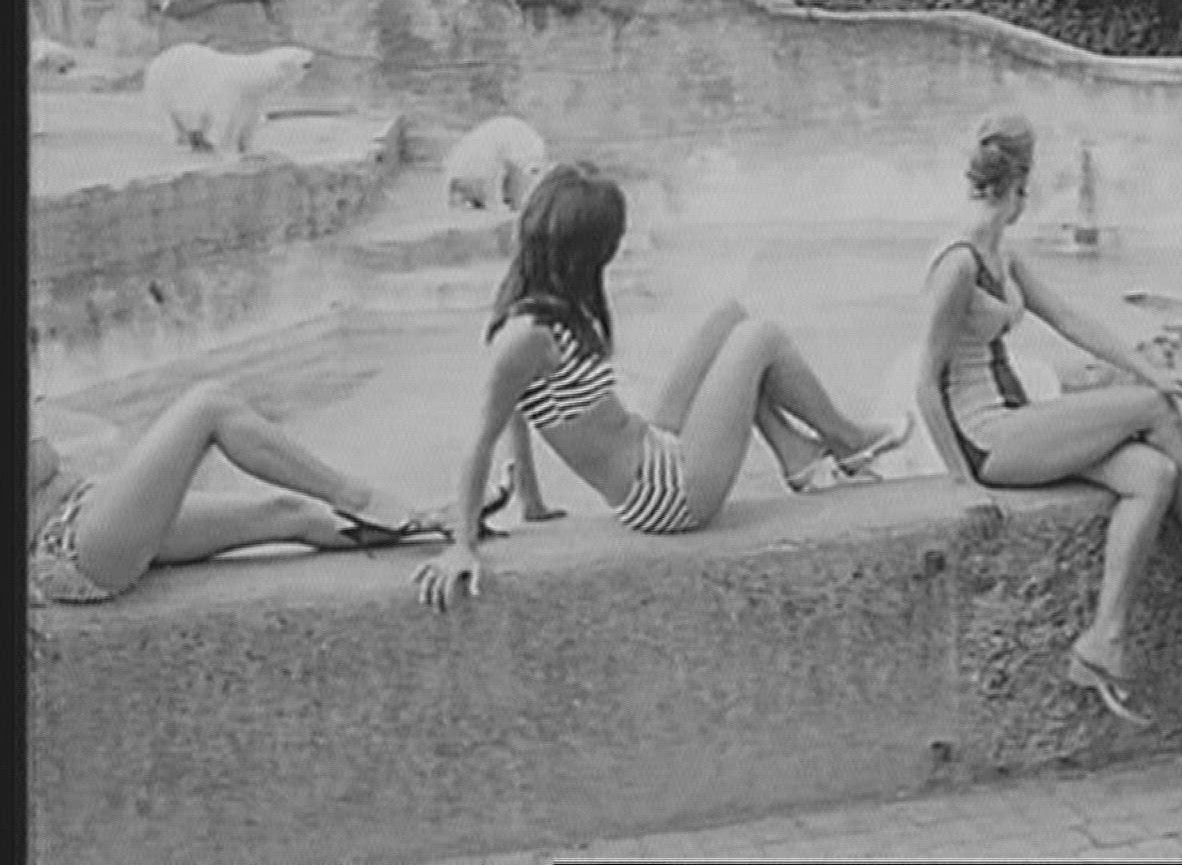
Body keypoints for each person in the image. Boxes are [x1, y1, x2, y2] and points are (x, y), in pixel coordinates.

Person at [413, 162, 911, 611]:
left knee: (729, 318)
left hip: (652, 446)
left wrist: (533, 504)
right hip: (669, 494)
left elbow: (519, 412)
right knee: (759, 338)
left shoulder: (546, 308)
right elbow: (481, 438)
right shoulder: (526, 336)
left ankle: (799, 458)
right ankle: (848, 440)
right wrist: (462, 546)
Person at [915, 115, 1182, 725]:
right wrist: (962, 484)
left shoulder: (1002, 253)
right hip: (986, 438)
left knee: (1153, 476)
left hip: (1017, 420)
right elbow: (925, 381)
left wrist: (1150, 368)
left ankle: (1104, 639)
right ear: (1021, 182)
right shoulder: (959, 264)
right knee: (1152, 409)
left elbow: (1073, 321)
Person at [29, 381, 446, 606]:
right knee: (209, 406)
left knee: (289, 512)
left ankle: (422, 523)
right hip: (65, 549)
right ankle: (353, 495)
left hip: (86, 504)